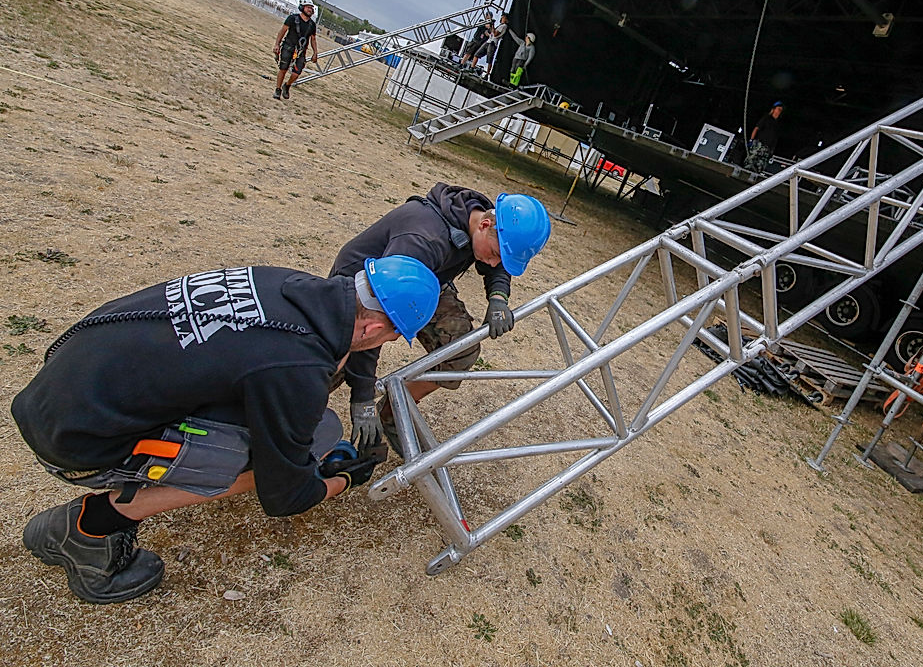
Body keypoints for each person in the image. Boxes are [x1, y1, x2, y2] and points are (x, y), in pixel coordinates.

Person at [13, 256, 440, 604]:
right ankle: (90, 527)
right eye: (388, 337)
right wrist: (341, 478)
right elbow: (285, 496)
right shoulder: (297, 365)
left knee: (313, 427)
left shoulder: (287, 284)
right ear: (373, 328)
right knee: (306, 446)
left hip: (56, 395)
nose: (381, 346)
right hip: (75, 443)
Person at [328, 183, 552, 456]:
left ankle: (394, 413)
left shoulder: (477, 221)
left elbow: (500, 261)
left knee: (460, 350)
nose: (494, 263)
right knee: (335, 359)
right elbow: (376, 315)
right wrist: (362, 396)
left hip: (425, 280)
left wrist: (498, 296)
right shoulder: (424, 240)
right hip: (365, 293)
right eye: (495, 255)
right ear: (484, 225)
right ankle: (284, 419)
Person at [273, 0, 319, 100]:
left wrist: (315, 52)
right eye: (308, 7)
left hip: (301, 51)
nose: (310, 10)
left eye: (311, 8)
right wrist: (277, 44)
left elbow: (313, 39)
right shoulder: (292, 18)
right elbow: (282, 31)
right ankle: (278, 89)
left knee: (296, 73)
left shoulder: (312, 25)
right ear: (302, 7)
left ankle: (287, 85)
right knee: (283, 69)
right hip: (288, 47)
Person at [744, 101, 784, 173]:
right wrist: (751, 140)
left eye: (781, 110)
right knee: (751, 160)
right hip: (759, 144)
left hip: (768, 147)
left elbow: (775, 138)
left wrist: (772, 149)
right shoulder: (767, 118)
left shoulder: (778, 124)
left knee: (761, 164)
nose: (779, 112)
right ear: (774, 109)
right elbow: (756, 128)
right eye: (778, 109)